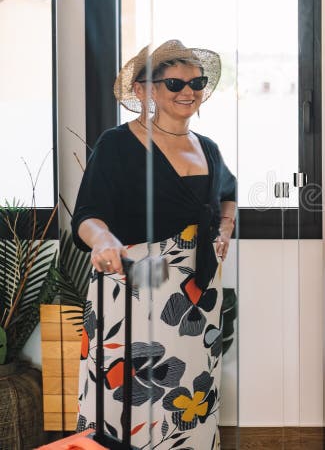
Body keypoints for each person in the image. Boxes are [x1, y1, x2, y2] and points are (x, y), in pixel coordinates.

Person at [72, 40, 236, 449]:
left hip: (197, 295)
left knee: (190, 391)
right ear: (145, 90)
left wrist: (225, 228)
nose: (188, 90)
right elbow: (88, 214)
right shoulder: (118, 144)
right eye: (174, 82)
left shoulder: (209, 148)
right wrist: (105, 240)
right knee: (128, 391)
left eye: (196, 82)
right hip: (134, 283)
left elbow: (228, 193)